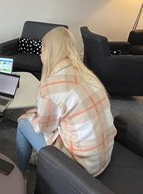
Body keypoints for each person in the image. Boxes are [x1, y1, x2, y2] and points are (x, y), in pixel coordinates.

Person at [16, 27, 117, 176]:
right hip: (102, 156)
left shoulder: (51, 86)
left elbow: (44, 128)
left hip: (82, 166)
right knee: (36, 115)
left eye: (42, 49)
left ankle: (20, 174)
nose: (40, 53)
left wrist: (29, 117)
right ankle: (40, 158)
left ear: (49, 51)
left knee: (23, 123)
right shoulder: (87, 75)